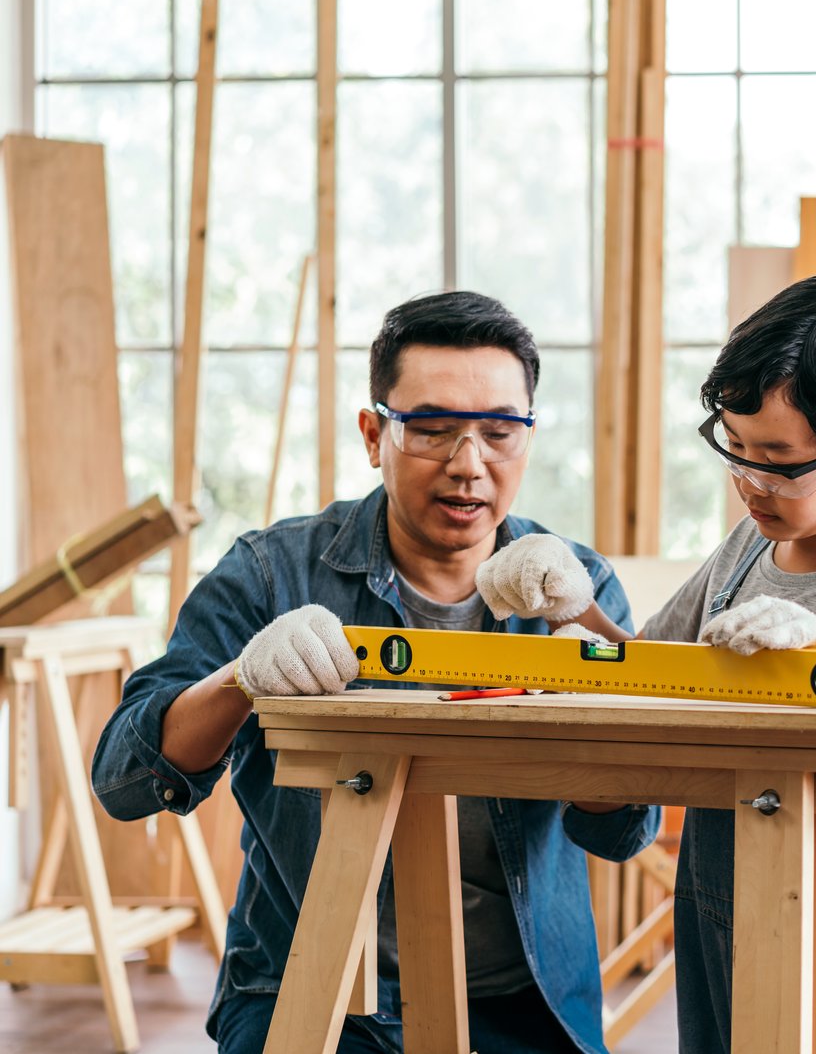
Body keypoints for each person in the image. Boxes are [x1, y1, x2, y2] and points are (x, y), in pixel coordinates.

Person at [91, 290, 660, 1054]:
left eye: (499, 431)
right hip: (313, 984)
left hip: (523, 1000)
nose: (469, 465)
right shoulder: (271, 575)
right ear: (373, 433)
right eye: (430, 430)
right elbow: (123, 779)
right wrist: (240, 678)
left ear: (528, 436)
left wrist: (587, 661)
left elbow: (626, 830)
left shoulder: (572, 588)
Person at [477, 275, 816, 1053]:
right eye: (736, 448)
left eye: (777, 461)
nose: (749, 483)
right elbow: (649, 678)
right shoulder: (747, 552)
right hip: (724, 932)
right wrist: (573, 606)